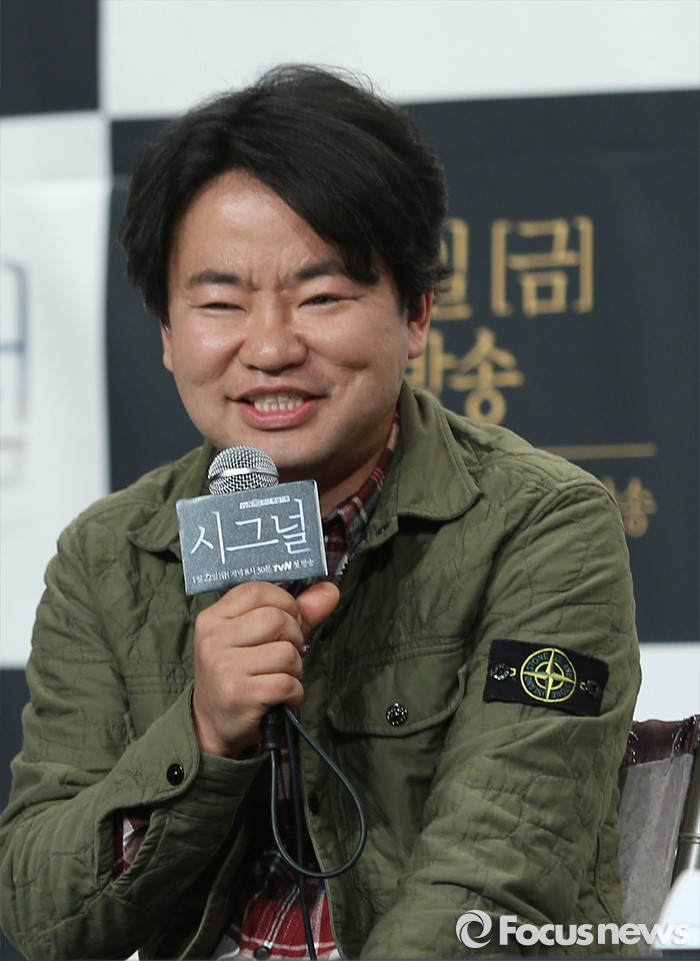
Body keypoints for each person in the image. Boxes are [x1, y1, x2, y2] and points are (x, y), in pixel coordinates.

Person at [0, 64, 640, 960]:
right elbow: (44, 915)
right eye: (221, 302)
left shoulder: (544, 526)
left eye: (322, 296)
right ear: (168, 336)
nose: (269, 346)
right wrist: (202, 733)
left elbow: (496, 882)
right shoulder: (110, 555)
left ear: (416, 314)